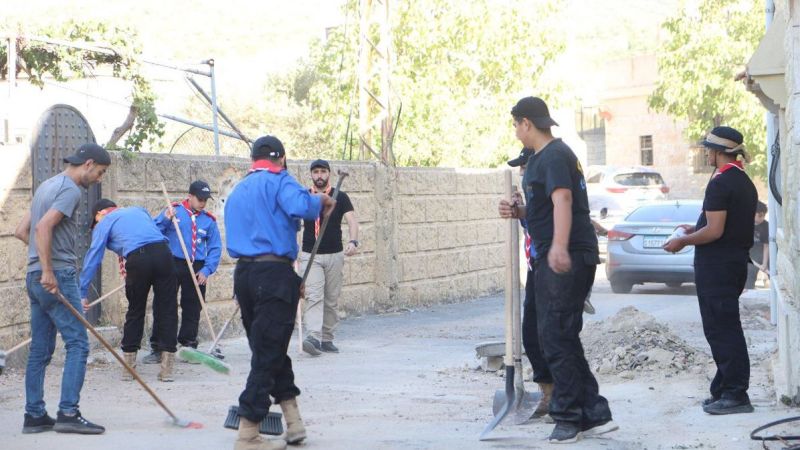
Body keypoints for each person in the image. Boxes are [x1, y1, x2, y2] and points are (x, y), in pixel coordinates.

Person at [499, 96, 616, 443]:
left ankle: (568, 417)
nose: (517, 133)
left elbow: (563, 200)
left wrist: (560, 247)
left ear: (526, 124)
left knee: (556, 335)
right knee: (554, 333)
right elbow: (547, 209)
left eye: (516, 126)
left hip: (564, 255)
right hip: (552, 253)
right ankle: (594, 412)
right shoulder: (543, 160)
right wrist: (517, 213)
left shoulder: (552, 156)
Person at [225, 135, 335, 450]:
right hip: (274, 274)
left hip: (244, 275)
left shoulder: (238, 190)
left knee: (268, 350)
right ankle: (248, 434)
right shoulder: (279, 181)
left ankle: (294, 422)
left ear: (252, 160)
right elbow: (303, 205)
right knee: (267, 354)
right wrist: (322, 202)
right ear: (281, 159)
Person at [13, 143, 109, 434]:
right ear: (89, 164)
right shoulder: (69, 190)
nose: (99, 179)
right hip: (56, 276)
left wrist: (39, 263)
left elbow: (21, 231)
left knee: (40, 350)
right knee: (78, 343)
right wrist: (49, 268)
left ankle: (34, 415)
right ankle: (68, 412)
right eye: (100, 172)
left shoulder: (46, 186)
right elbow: (43, 228)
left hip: (34, 279)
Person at [664, 126, 757, 415]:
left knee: (722, 329)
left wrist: (682, 240)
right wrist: (695, 228)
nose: (706, 152)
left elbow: (715, 231)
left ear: (717, 152)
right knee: (721, 327)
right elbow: (721, 225)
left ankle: (736, 394)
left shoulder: (721, 183)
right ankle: (723, 388)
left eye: (708, 148)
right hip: (731, 264)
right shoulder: (740, 179)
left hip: (719, 267)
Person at [79, 199, 179, 382]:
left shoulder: (105, 221)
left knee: (135, 311)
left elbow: (94, 256)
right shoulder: (138, 210)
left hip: (138, 259)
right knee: (168, 310)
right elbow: (155, 228)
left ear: (100, 213)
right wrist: (166, 219)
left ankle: (129, 370)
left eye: (95, 222)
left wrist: (82, 292)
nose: (96, 226)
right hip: (164, 254)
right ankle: (167, 370)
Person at [146, 180, 222, 364]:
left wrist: (207, 269)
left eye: (206, 199)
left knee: (193, 306)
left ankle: (188, 345)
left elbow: (215, 248)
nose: (203, 203)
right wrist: (165, 218)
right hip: (172, 262)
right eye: (200, 199)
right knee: (164, 304)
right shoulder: (174, 211)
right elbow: (154, 232)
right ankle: (160, 346)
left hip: (197, 266)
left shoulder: (209, 221)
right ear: (190, 196)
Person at [505, 147, 554, 418]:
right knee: (531, 333)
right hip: (536, 269)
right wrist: (520, 209)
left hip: (550, 266)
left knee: (549, 334)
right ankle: (548, 392)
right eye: (520, 168)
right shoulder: (533, 196)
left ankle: (562, 395)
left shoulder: (548, 187)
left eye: (525, 166)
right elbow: (531, 225)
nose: (522, 172)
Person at [299, 159, 359, 356]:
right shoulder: (305, 196)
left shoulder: (340, 196)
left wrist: (353, 241)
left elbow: (352, 220)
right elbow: (292, 222)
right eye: (315, 172)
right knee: (314, 295)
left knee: (331, 299)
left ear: (329, 174)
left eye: (323, 171)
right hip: (311, 254)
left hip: (334, 253)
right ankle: (313, 337)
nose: (319, 175)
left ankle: (327, 338)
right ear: (311, 175)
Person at [746, 201, 769, 290]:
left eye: (763, 216)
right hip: (750, 253)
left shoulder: (766, 226)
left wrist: (764, 264)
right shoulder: (745, 224)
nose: (761, 218)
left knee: (774, 271)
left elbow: (766, 246)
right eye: (759, 215)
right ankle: (748, 292)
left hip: (764, 252)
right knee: (749, 272)